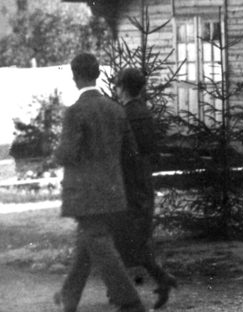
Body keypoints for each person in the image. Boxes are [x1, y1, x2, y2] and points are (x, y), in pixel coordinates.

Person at [52, 53, 147, 312]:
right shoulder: (116, 109)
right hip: (114, 193)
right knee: (87, 244)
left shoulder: (75, 112)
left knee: (100, 247)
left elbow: (67, 153)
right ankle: (68, 297)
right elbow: (131, 154)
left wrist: (55, 152)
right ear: (97, 74)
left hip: (86, 196)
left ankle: (130, 302)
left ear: (74, 77)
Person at [111, 68, 177, 310]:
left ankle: (124, 292)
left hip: (128, 183)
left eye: (118, 85)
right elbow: (150, 151)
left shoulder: (125, 114)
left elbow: (122, 152)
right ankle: (161, 280)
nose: (116, 89)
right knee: (137, 238)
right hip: (143, 181)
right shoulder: (144, 113)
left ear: (124, 87)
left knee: (126, 238)